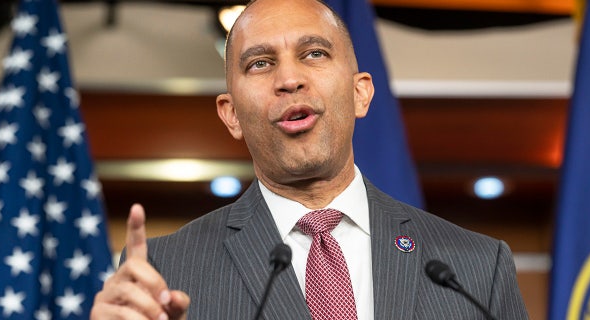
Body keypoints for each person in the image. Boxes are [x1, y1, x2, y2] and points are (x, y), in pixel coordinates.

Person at [91, 0, 529, 319]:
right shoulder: (166, 272)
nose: (289, 79)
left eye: (314, 54)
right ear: (231, 114)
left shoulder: (475, 268)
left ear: (360, 92)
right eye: (260, 64)